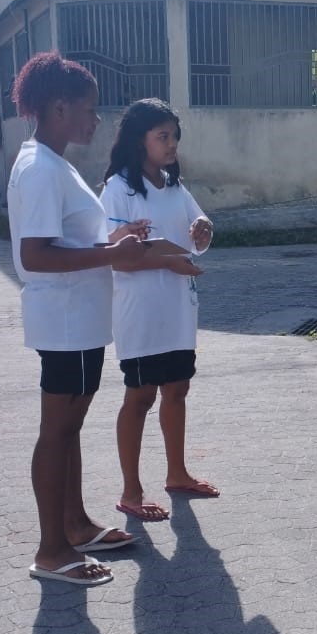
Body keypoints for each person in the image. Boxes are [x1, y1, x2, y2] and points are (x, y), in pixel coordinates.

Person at [7, 51, 149, 586]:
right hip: (65, 321)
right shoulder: (40, 169)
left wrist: (112, 240)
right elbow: (36, 255)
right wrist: (112, 254)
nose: (96, 119)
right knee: (57, 432)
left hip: (78, 320)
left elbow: (66, 240)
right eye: (89, 109)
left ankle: (74, 524)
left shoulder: (53, 163)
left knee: (68, 431)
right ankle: (52, 551)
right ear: (59, 108)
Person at [101, 98, 216, 523]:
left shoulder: (174, 186)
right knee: (140, 396)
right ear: (139, 140)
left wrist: (203, 231)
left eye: (174, 137)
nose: (171, 145)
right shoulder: (118, 190)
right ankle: (131, 491)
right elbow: (114, 257)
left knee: (177, 389)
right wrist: (168, 262)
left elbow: (198, 234)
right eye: (162, 136)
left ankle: (177, 473)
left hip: (177, 308)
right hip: (141, 311)